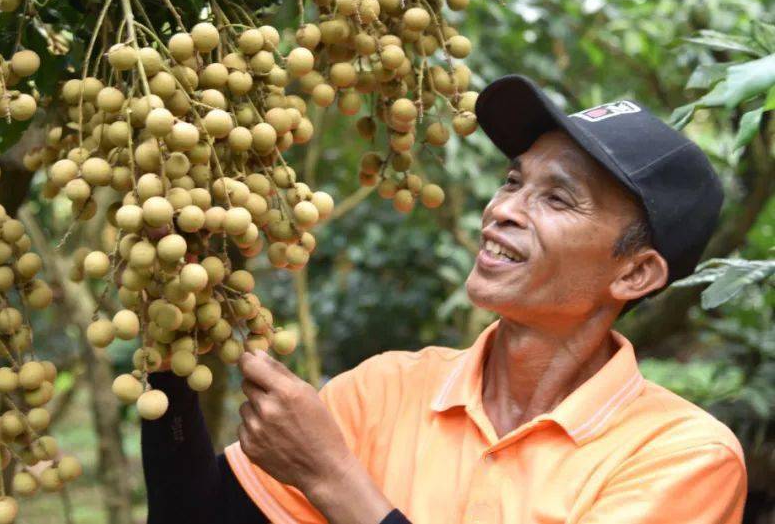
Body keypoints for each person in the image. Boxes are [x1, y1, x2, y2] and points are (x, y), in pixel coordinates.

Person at [142, 74, 747, 524]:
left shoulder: (682, 457)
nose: (503, 209)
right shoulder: (384, 391)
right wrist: (169, 346)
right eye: (513, 180)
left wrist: (332, 477)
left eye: (557, 199)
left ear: (636, 275)